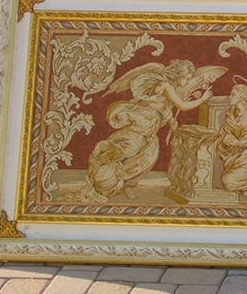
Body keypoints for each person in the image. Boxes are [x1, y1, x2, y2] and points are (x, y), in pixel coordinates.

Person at [86, 60, 224, 199]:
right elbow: (182, 105)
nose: (188, 82)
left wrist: (170, 119)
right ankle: (103, 180)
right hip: (140, 125)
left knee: (148, 158)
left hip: (149, 130)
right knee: (125, 150)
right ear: (179, 76)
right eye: (187, 78)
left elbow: (162, 106)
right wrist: (203, 99)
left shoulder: (169, 88)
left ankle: (127, 185)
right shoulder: (165, 85)